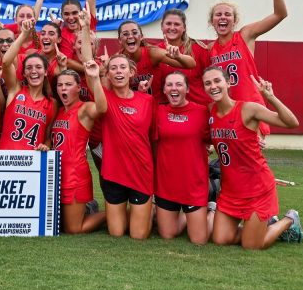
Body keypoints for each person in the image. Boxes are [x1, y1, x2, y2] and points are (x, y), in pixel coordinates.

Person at [203, 66, 303, 249]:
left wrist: (270, 97)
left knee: (252, 246)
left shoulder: (248, 109)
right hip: (231, 191)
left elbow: (292, 123)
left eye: (217, 81)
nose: (213, 86)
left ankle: (290, 219)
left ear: (228, 82)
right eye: (208, 83)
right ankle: (256, 227)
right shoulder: (210, 111)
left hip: (257, 188)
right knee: (220, 239)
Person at [208, 0, 288, 135]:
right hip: (227, 110)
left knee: (251, 159)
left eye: (228, 14)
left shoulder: (245, 35)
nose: (223, 17)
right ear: (212, 21)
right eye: (218, 14)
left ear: (234, 21)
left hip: (250, 108)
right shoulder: (210, 49)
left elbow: (280, 14)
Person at [153, 71, 213, 245]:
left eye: (179, 84)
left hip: (193, 184)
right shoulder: (159, 111)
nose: (174, 88)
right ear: (164, 90)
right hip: (167, 184)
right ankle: (188, 217)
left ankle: (212, 211)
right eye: (169, 85)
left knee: (198, 240)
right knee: (167, 234)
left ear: (187, 89)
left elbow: (219, 134)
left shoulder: (202, 112)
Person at [100, 54, 156, 240]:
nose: (118, 71)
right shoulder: (104, 98)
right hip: (113, 172)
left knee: (138, 235)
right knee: (116, 233)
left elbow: (154, 137)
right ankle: (143, 212)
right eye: (113, 68)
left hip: (141, 171)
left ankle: (152, 211)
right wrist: (85, 28)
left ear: (131, 72)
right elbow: (89, 67)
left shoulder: (147, 101)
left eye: (122, 67)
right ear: (107, 75)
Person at [52, 65, 106, 234]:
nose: (63, 88)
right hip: (56, 174)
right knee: (58, 224)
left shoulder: (84, 108)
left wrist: (95, 78)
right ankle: (89, 207)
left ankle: (113, 213)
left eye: (68, 84)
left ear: (78, 88)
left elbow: (102, 108)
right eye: (60, 85)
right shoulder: (59, 111)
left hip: (75, 174)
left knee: (74, 229)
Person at [0, 20, 56, 151]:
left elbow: (48, 136)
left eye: (38, 67)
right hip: (6, 159)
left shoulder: (52, 103)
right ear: (24, 73)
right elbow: (6, 62)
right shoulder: (15, 90)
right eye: (29, 67)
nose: (34, 71)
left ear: (46, 72)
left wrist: (46, 146)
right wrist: (23, 34)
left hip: (31, 164)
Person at [117, 19, 196, 92]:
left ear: (141, 37)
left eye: (134, 33)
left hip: (156, 104)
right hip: (133, 105)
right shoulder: (117, 60)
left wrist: (179, 56)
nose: (130, 36)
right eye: (125, 34)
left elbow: (192, 64)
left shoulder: (152, 53)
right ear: (120, 40)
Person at [151, 9, 210, 106]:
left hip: (199, 107)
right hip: (170, 112)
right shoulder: (156, 52)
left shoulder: (199, 49)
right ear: (162, 26)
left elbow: (211, 78)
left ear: (184, 28)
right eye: (168, 24)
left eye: (177, 24)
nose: (172, 27)